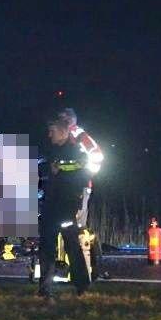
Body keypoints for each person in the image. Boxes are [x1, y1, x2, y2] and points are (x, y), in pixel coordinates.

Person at [38, 114, 94, 301]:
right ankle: (45, 288)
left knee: (72, 246)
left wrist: (60, 168)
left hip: (66, 206)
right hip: (49, 205)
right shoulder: (50, 150)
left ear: (62, 132)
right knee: (46, 247)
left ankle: (82, 285)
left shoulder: (75, 151)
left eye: (52, 131)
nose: (49, 135)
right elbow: (42, 169)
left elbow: (81, 172)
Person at [56, 108, 106, 275]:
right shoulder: (62, 137)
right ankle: (67, 264)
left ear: (70, 120)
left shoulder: (79, 136)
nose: (60, 121)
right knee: (66, 224)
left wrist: (85, 173)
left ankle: (83, 268)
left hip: (79, 187)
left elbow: (98, 156)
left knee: (77, 226)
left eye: (63, 119)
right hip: (66, 187)